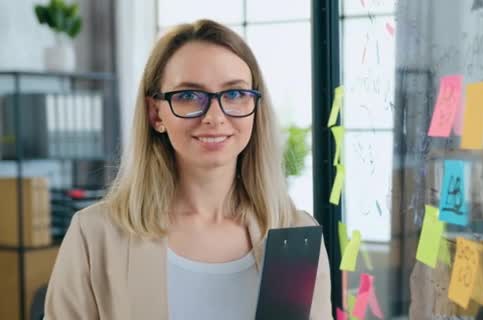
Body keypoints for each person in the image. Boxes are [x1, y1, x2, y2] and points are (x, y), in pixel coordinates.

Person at [44, 19, 332, 319]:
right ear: (156, 113)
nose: (214, 117)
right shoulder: (95, 235)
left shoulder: (298, 235)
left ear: (255, 107)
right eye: (188, 96)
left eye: (234, 94)